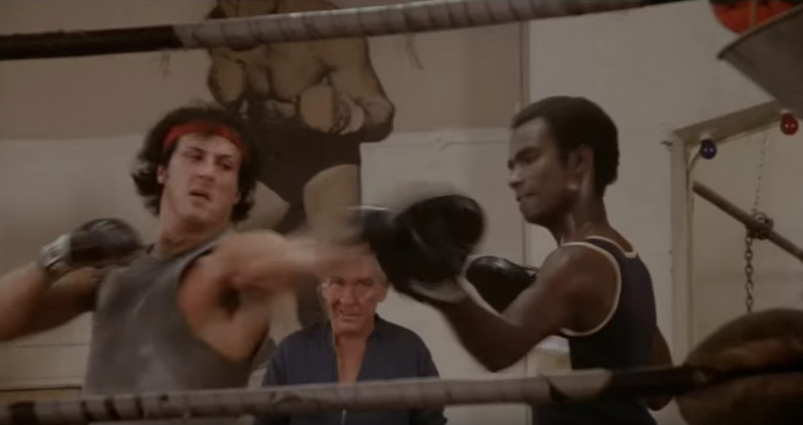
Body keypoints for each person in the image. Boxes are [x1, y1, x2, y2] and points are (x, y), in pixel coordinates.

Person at [0, 104, 353, 425]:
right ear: (162, 172)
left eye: (225, 165)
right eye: (195, 156)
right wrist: (58, 254)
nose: (207, 173)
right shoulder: (114, 273)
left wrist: (362, 239)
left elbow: (285, 257)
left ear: (237, 193)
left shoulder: (234, 258)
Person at [379, 96, 674, 425]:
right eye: (511, 166)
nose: (514, 178)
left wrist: (442, 288)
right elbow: (659, 393)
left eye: (528, 158)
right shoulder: (625, 259)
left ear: (579, 161)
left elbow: (497, 351)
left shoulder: (576, 261)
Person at [254, 251, 447, 425]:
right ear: (324, 288)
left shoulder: (409, 349)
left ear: (383, 290)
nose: (348, 299)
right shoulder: (292, 351)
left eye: (363, 284)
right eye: (338, 283)